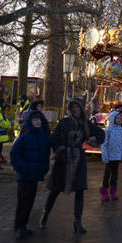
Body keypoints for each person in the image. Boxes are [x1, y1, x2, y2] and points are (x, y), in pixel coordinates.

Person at [40, 99, 103, 233]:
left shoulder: (85, 124)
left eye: (77, 107)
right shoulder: (64, 122)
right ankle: (45, 214)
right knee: (55, 190)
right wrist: (59, 150)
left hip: (78, 160)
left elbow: (100, 133)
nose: (75, 109)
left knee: (79, 190)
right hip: (63, 159)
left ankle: (78, 221)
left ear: (81, 109)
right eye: (73, 107)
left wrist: (94, 141)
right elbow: (54, 139)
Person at [10, 109, 51, 238]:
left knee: (29, 202)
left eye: (39, 119)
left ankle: (23, 226)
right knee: (23, 202)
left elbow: (45, 155)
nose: (37, 122)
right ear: (29, 122)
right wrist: (23, 168)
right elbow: (14, 154)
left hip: (34, 175)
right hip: (25, 175)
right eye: (34, 120)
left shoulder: (43, 137)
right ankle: (19, 227)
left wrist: (44, 168)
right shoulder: (25, 137)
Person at [100, 108, 122, 200]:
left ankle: (113, 191)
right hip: (109, 156)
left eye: (120, 118)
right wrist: (105, 155)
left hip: (117, 156)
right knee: (107, 174)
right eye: (118, 118)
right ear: (113, 118)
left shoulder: (121, 130)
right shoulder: (108, 130)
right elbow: (105, 143)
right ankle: (104, 190)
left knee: (115, 175)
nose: (119, 120)